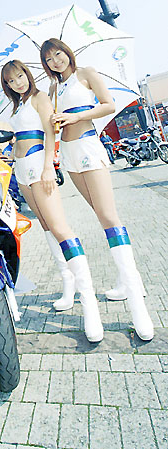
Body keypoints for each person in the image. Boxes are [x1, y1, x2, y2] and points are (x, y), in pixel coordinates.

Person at [40, 38, 153, 341]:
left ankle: (136, 295)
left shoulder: (86, 73)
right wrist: (56, 122)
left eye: (58, 54)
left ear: (67, 52)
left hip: (89, 146)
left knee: (108, 216)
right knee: (98, 214)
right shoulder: (53, 89)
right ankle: (124, 280)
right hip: (68, 153)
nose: (55, 61)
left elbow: (109, 105)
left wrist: (76, 116)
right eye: (49, 59)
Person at [1, 60, 103, 342]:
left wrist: (49, 166)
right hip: (21, 169)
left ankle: (89, 301)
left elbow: (50, 133)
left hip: (38, 165)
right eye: (11, 81)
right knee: (46, 226)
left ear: (28, 74)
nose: (18, 82)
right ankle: (68, 284)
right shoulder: (18, 105)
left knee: (60, 228)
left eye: (20, 76)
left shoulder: (40, 98)